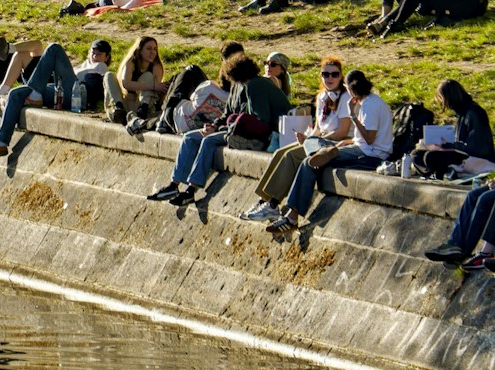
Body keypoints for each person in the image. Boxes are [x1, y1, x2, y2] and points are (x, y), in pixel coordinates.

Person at [147, 55, 289, 207]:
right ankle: (173, 185)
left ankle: (190, 190)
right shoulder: (237, 86)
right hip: (236, 128)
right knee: (190, 137)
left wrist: (220, 130)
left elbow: (261, 119)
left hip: (263, 134)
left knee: (209, 140)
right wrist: (213, 126)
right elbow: (227, 114)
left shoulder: (256, 85)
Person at [267, 69, 392, 239]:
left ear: (348, 87)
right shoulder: (370, 102)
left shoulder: (370, 105)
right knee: (311, 142)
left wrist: (353, 116)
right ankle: (322, 151)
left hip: (371, 157)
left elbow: (370, 139)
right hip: (361, 149)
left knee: (308, 162)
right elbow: (363, 139)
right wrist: (344, 142)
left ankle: (291, 217)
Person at [237, 56, 353, 226]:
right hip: (320, 141)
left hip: (336, 144)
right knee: (281, 152)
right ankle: (263, 200)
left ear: (341, 76)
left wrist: (315, 139)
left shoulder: (345, 98)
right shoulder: (322, 97)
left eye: (334, 74)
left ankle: (273, 204)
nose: (329, 78)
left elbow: (342, 132)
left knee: (292, 156)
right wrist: (308, 136)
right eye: (325, 74)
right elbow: (318, 128)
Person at [0, 39, 118, 158]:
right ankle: (0, 143)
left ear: (107, 57)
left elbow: (84, 82)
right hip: (61, 92)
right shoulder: (84, 65)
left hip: (77, 95)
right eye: (93, 53)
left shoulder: (101, 67)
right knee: (16, 93)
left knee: (54, 48)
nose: (95, 56)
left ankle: (34, 94)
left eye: (100, 54)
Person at [413, 79, 495, 177]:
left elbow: (476, 148)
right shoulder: (462, 113)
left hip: (473, 157)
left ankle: (443, 171)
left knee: (431, 157)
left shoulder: (474, 113)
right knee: (416, 154)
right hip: (460, 152)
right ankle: (439, 172)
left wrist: (449, 146)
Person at [116, 35, 166, 123]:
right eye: (149, 49)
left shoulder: (156, 66)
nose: (152, 52)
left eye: (155, 49)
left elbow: (156, 90)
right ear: (140, 50)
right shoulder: (131, 63)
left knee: (148, 76)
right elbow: (125, 84)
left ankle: (143, 108)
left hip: (145, 104)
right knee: (108, 76)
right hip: (128, 102)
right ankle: (117, 108)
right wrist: (153, 86)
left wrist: (156, 87)